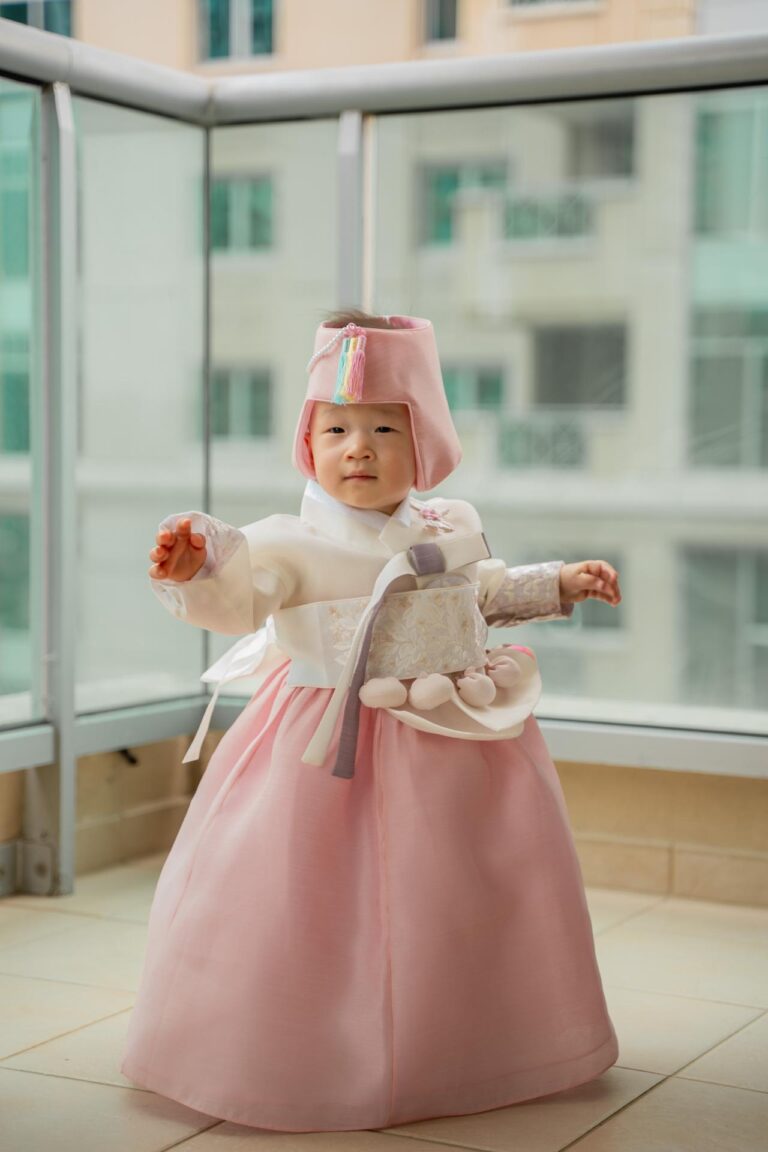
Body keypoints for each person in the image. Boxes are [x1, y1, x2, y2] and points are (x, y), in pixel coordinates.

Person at [120, 310, 621, 1133]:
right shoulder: (285, 542)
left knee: (464, 893)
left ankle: (473, 1042)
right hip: (320, 755)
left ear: (425, 445)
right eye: (337, 429)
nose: (359, 448)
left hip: (454, 744)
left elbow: (483, 594)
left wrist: (560, 581)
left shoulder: (450, 525)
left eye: (385, 429)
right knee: (301, 900)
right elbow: (240, 599)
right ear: (307, 443)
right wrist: (198, 567)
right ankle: (291, 1053)